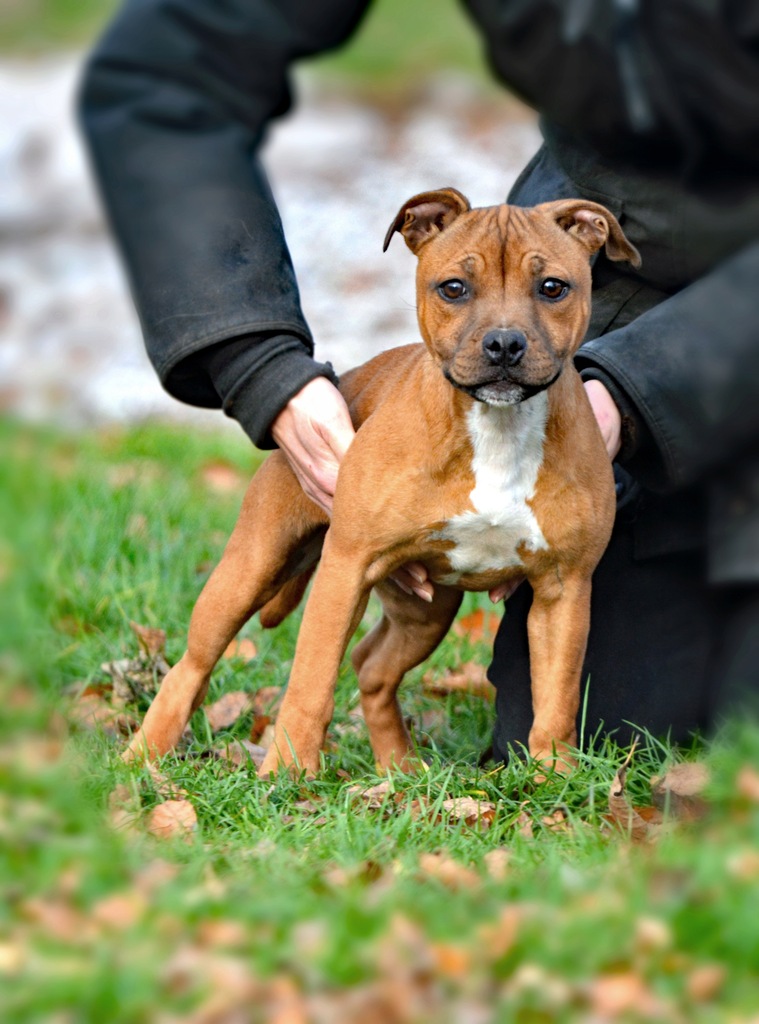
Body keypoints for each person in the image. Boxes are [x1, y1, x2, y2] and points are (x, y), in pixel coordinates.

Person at [79, 0, 759, 760]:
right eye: (456, 293)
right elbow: (174, 63)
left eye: (551, 292)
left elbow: (566, 587)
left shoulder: (578, 263)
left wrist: (638, 392)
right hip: (630, 281)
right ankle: (189, 696)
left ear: (593, 245)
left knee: (646, 717)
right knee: (254, 583)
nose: (504, 336)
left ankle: (492, 740)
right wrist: (262, 368)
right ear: (415, 241)